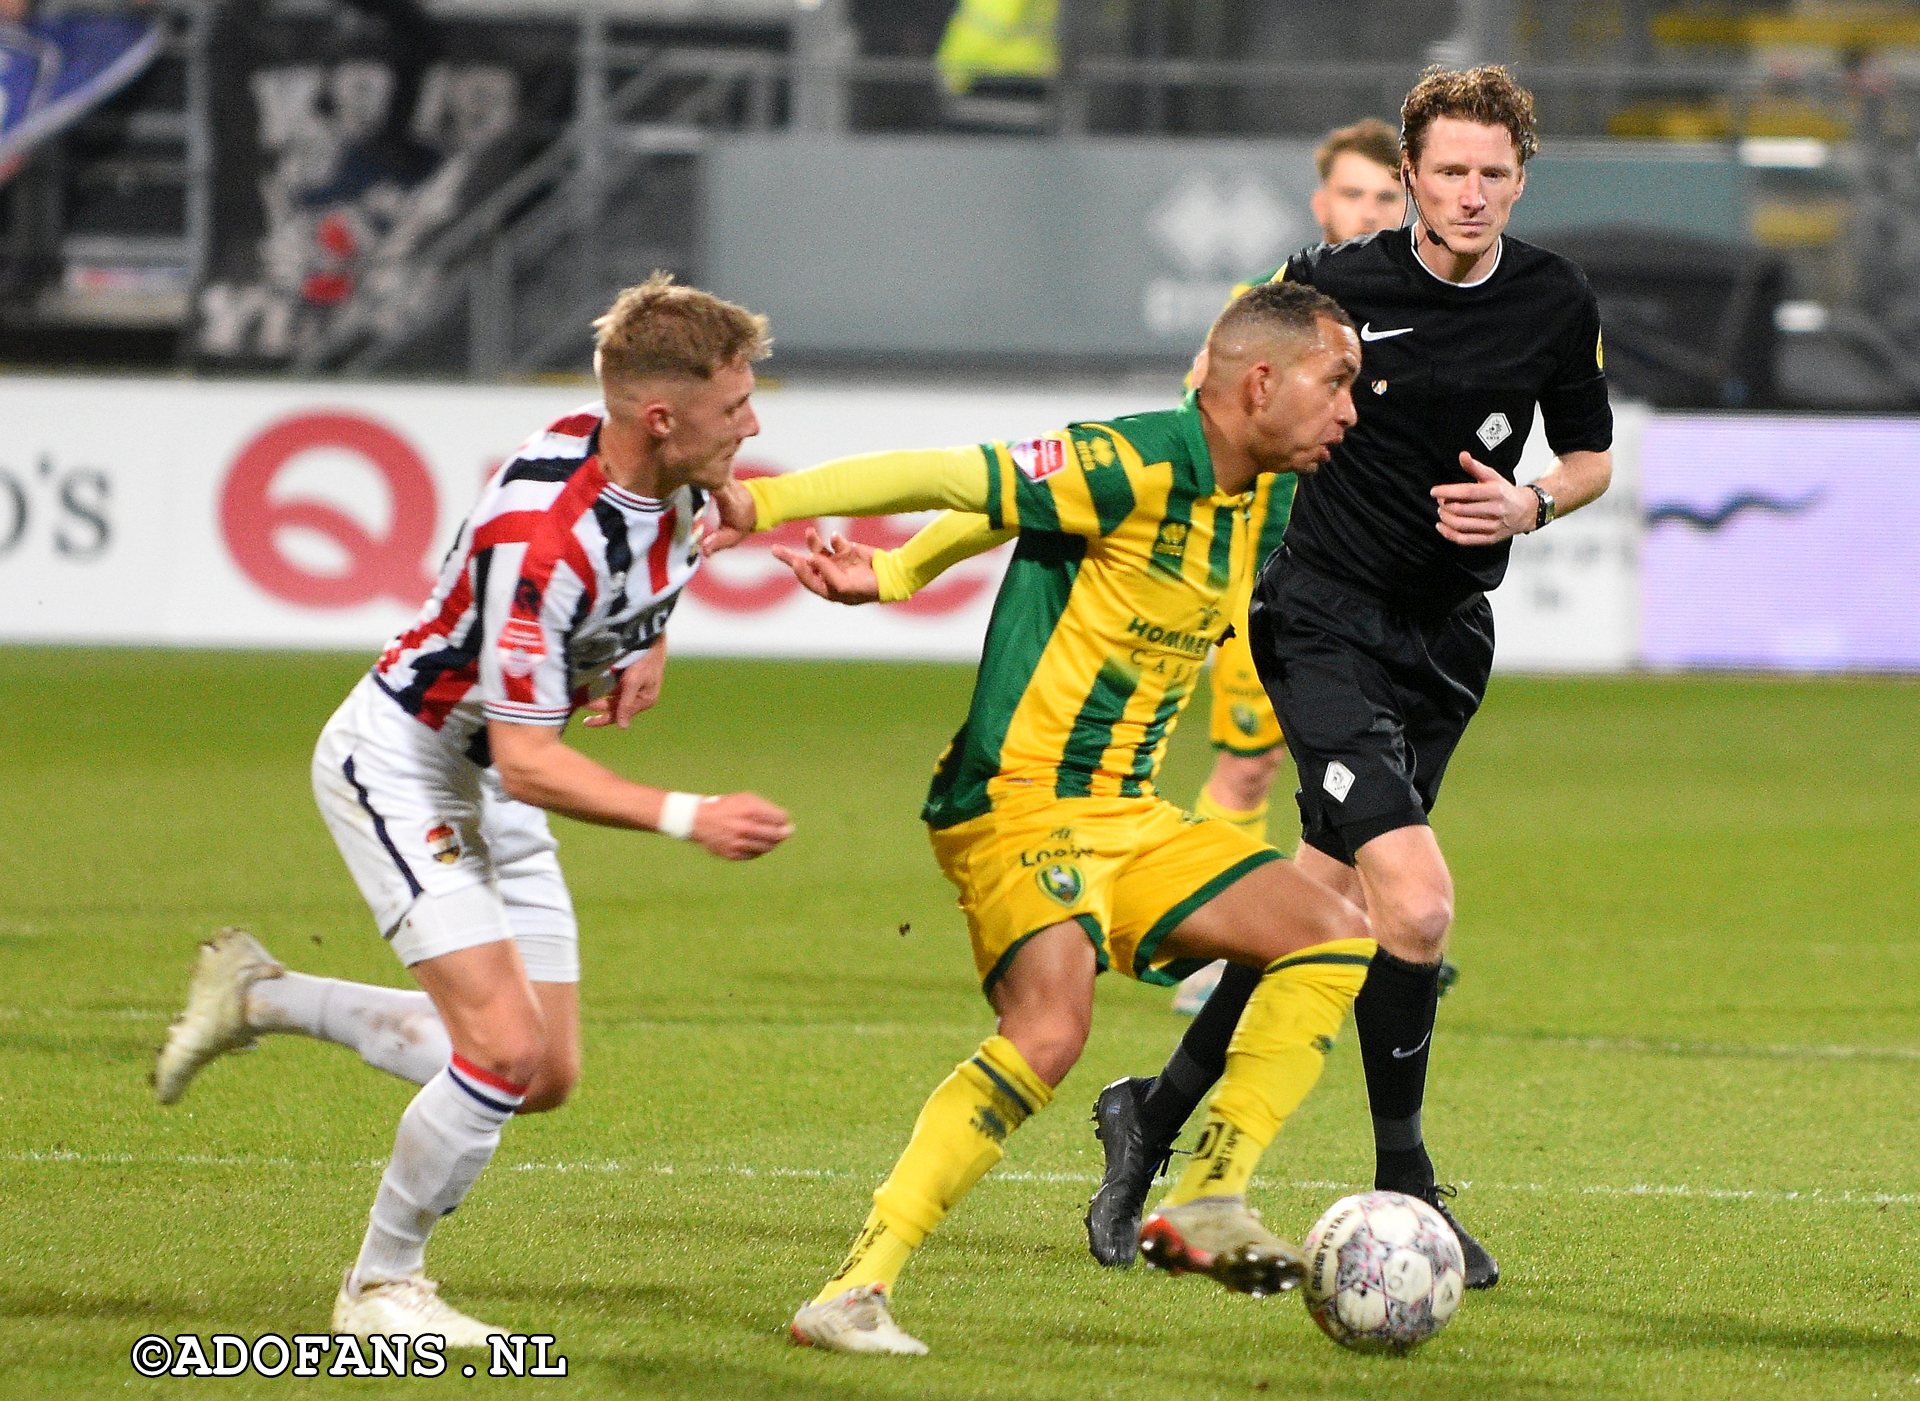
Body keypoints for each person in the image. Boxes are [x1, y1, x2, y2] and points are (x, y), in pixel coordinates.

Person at [708, 281, 1373, 1356]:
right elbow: (956, 477)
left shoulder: (1272, 494)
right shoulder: (1131, 461)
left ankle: (1207, 1196)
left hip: (1129, 813)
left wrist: (895, 571)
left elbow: (991, 513)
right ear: (1261, 383)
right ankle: (855, 1288)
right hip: (1017, 800)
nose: (1350, 409)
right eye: (1336, 383)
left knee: (1334, 933)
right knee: (1051, 1031)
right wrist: (768, 508)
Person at [152, 272, 794, 1343]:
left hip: (480, 769)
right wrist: (691, 815)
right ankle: (379, 1289)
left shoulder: (650, 469)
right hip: (403, 763)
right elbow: (535, 763)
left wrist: (645, 644)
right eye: (735, 409)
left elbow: (650, 552)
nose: (755, 424)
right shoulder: (543, 540)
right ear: (662, 416)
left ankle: (261, 995)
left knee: (538, 1074)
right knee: (500, 1050)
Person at [1086, 64, 1614, 1291]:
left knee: (1313, 916)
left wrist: (1530, 503)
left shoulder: (1554, 298)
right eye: (1450, 171)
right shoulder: (1329, 289)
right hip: (1319, 620)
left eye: (1494, 173)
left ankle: (1149, 1118)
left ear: (1519, 179)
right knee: (1413, 910)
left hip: (1445, 642)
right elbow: (1216, 410)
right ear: (1414, 176)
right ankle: (1409, 1186)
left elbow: (1588, 453)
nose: (1471, 193)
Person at [1173, 116, 1408, 1017]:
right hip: (1271, 570)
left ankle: (1365, 927)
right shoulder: (1271, 305)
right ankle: (1208, 944)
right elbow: (1205, 408)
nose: (1369, 210)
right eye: (1354, 194)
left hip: (1374, 579)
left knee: (1359, 763)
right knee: (1251, 763)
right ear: (1323, 204)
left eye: (1385, 195)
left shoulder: (1420, 310)